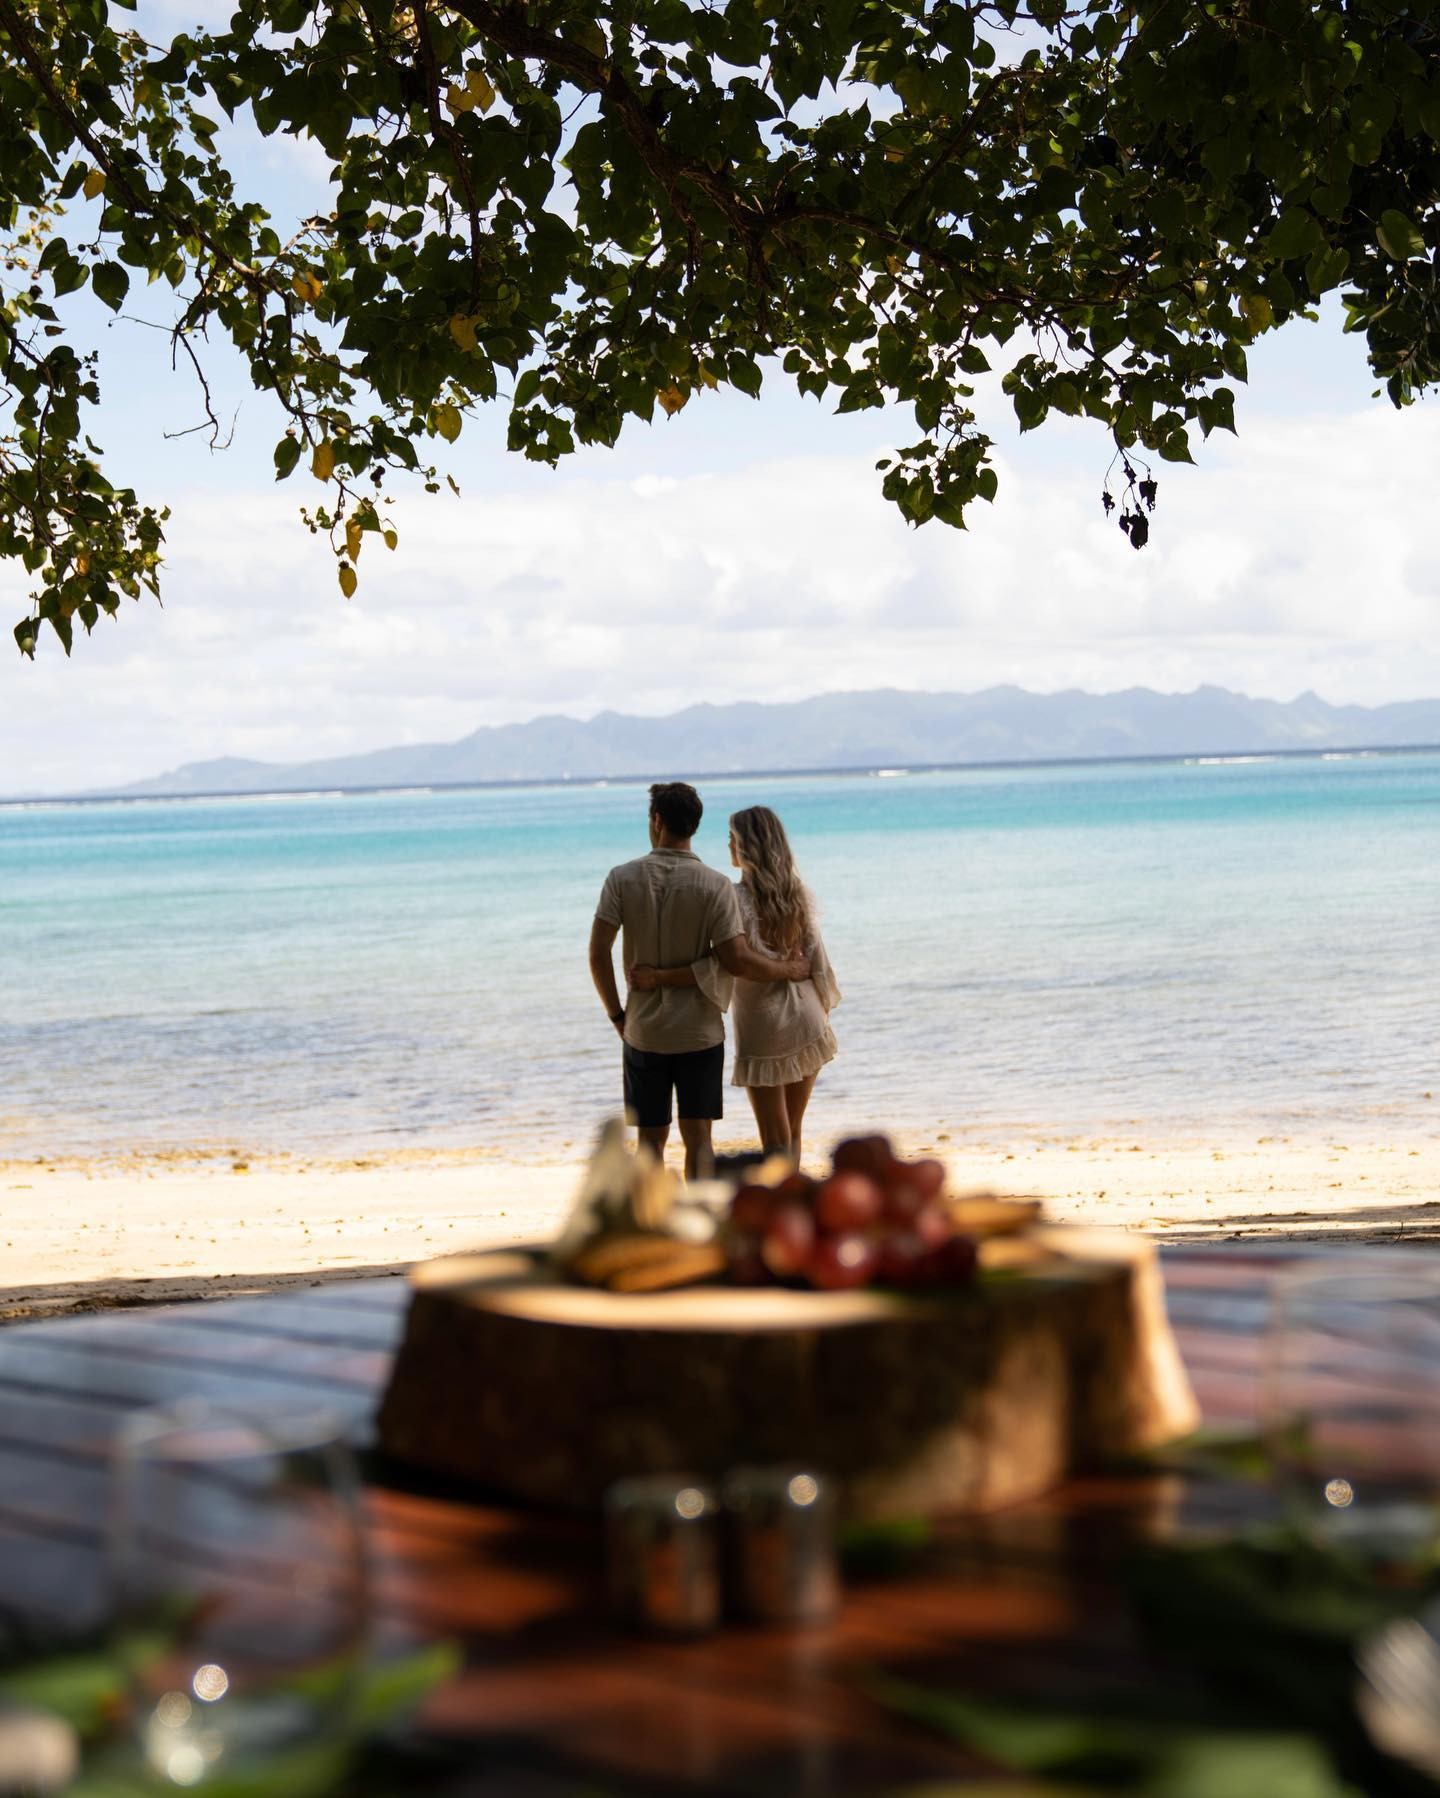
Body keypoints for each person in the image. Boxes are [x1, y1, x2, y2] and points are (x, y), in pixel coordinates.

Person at [589, 782, 810, 1180]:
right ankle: (697, 1220)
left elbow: (598, 952)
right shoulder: (714, 885)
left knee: (650, 1144)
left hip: (644, 1034)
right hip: (701, 1035)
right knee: (700, 1143)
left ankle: (654, 1228)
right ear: (694, 825)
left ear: (657, 821)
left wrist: (617, 1015)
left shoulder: (621, 878)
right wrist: (789, 970)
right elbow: (734, 958)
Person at [631, 805, 840, 1165]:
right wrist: (812, 994)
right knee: (793, 1131)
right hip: (808, 1017)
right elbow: (815, 963)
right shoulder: (798, 894)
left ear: (747, 847)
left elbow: (724, 964)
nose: (728, 845)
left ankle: (779, 1210)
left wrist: (661, 977)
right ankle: (792, 1202)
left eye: (732, 839)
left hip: (765, 1025)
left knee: (774, 1140)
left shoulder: (733, 898)